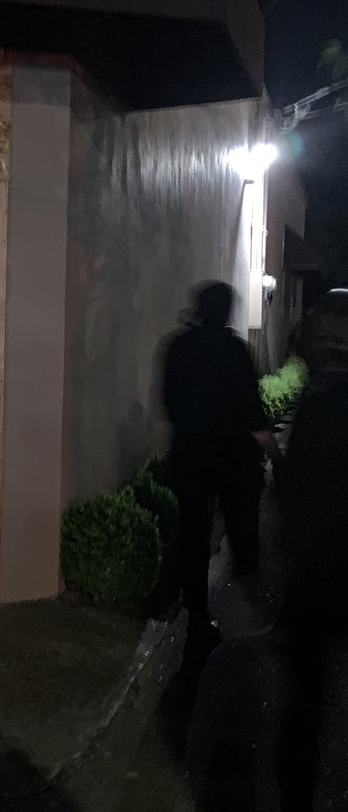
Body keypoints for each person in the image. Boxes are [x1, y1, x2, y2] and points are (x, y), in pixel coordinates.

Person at [161, 281, 282, 657]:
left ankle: (198, 618)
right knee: (242, 530)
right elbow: (253, 412)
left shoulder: (178, 347)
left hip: (190, 455)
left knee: (193, 538)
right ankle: (252, 616)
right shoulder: (234, 351)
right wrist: (277, 457)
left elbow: (167, 400)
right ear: (227, 311)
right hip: (231, 459)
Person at [277, 289, 348, 810]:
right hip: (323, 571)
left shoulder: (315, 413)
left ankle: (298, 795)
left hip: (315, 575)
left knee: (306, 701)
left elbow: (291, 493)